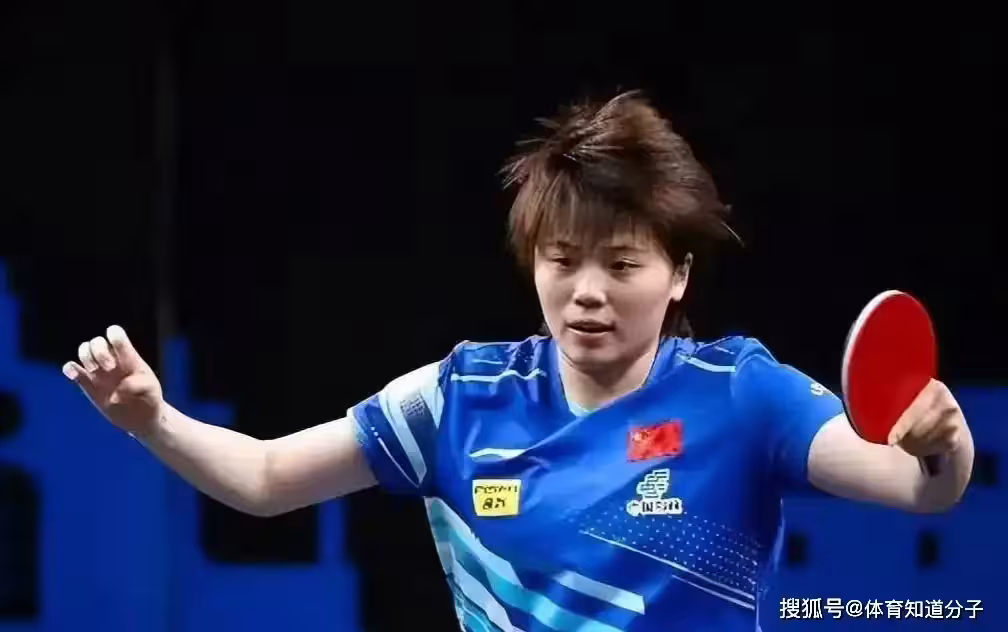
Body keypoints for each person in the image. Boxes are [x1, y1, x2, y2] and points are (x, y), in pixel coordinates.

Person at [63, 91, 974, 631]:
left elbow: (920, 487)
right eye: (561, 260)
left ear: (679, 276)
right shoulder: (459, 399)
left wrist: (942, 442)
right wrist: (153, 420)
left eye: (622, 266)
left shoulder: (742, 395)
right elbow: (266, 479)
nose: (587, 293)